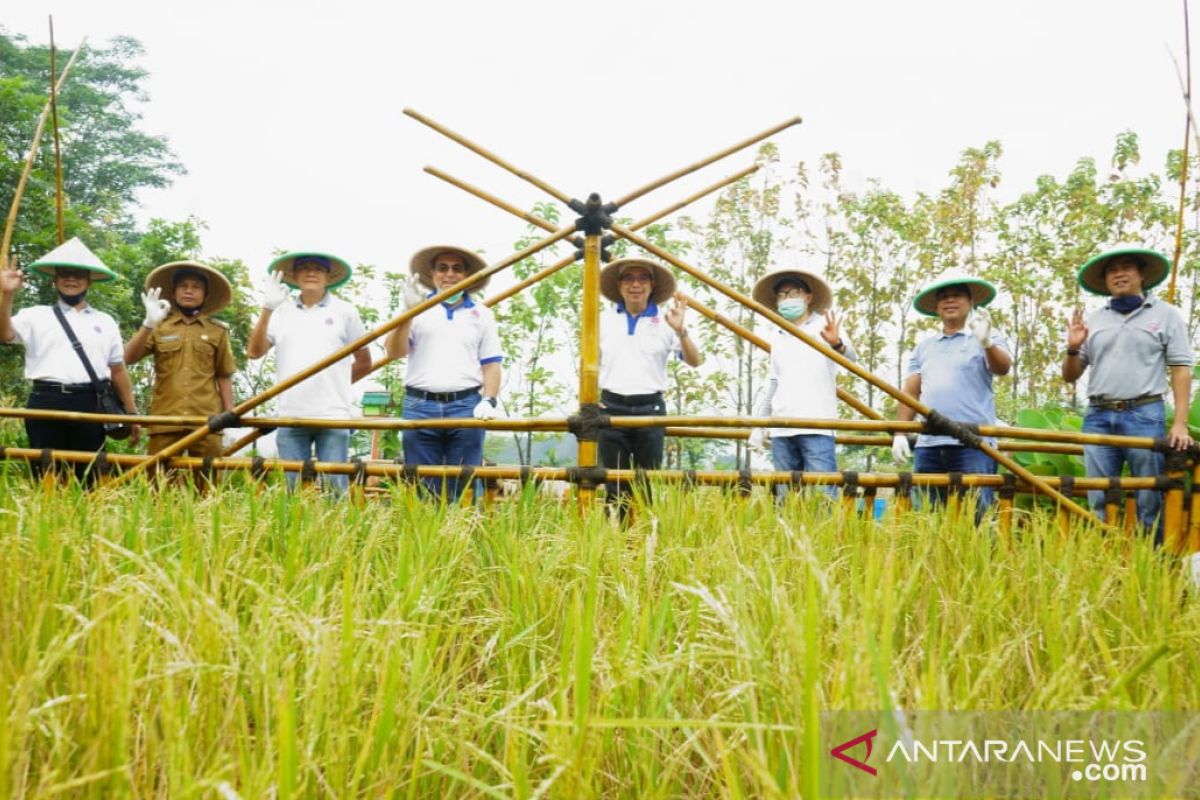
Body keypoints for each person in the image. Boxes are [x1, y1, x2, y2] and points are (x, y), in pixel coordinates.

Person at [1062, 244, 1193, 536]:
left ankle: (1151, 568)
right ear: (1105, 280)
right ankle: (1103, 563)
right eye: (1112, 270)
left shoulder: (1166, 314)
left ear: (1141, 274)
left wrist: (1180, 423)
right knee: (1098, 496)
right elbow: (1070, 375)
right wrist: (1072, 347)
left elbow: (1181, 369)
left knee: (1149, 497)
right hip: (1097, 414)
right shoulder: (1094, 320)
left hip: (1144, 413)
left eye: (1126, 268)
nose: (1119, 274)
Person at [0, 238, 140, 483]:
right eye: (64, 273)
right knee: (45, 471)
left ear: (88, 280)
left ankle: (87, 518)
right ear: (55, 279)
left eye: (78, 274)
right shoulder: (35, 315)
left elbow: (117, 370)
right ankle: (46, 518)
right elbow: (5, 334)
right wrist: (6, 296)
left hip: (90, 401)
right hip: (46, 399)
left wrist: (131, 413)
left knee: (89, 473)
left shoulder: (105, 321)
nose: (71, 279)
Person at [385, 245, 503, 502]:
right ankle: (430, 538)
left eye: (457, 269)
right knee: (423, 483)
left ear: (467, 275)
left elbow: (491, 363)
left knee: (464, 480)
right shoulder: (416, 310)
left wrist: (489, 399)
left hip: (465, 404)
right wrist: (407, 313)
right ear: (432, 273)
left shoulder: (482, 314)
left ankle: (461, 537)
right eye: (443, 268)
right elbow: (394, 351)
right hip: (420, 404)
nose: (449, 274)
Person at [246, 251, 370, 493]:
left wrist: (334, 383)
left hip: (333, 414)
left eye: (318, 268)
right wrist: (267, 308)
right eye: (304, 267)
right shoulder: (280, 312)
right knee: (291, 491)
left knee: (336, 489)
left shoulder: (346, 311)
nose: (311, 272)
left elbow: (364, 361)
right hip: (291, 413)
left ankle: (338, 531)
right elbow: (254, 351)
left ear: (328, 275)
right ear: (294, 275)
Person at [892, 269, 1011, 516]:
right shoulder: (924, 347)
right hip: (929, 442)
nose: (950, 300)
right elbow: (911, 392)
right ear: (936, 307)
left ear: (970, 303)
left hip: (973, 442)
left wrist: (987, 342)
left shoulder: (988, 336)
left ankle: (979, 555)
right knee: (927, 513)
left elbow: (1002, 367)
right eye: (944, 297)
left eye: (957, 295)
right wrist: (900, 432)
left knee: (976, 512)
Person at [597, 257, 702, 514]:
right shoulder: (602, 319)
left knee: (646, 482)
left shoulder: (667, 321)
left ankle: (645, 540)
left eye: (643, 278)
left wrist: (681, 331)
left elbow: (695, 361)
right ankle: (615, 543)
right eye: (629, 279)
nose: (636, 285)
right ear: (619, 285)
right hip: (610, 405)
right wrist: (588, 400)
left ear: (652, 285)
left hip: (650, 406)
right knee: (614, 483)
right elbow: (588, 363)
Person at [748, 268, 855, 499]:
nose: (787, 299)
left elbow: (852, 361)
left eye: (793, 292)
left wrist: (837, 343)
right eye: (782, 295)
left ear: (808, 297)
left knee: (823, 495)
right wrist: (760, 423)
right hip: (782, 428)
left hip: (817, 424)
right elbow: (774, 383)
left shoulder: (823, 327)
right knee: (786, 497)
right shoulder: (778, 334)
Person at [123, 260, 237, 462]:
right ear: (174, 292)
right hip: (165, 419)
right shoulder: (159, 326)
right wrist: (148, 323)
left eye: (196, 287)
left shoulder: (217, 331)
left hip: (207, 420)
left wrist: (229, 416)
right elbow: (127, 358)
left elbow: (223, 375)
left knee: (207, 482)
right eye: (183, 286)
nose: (189, 291)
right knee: (158, 480)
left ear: (205, 294)